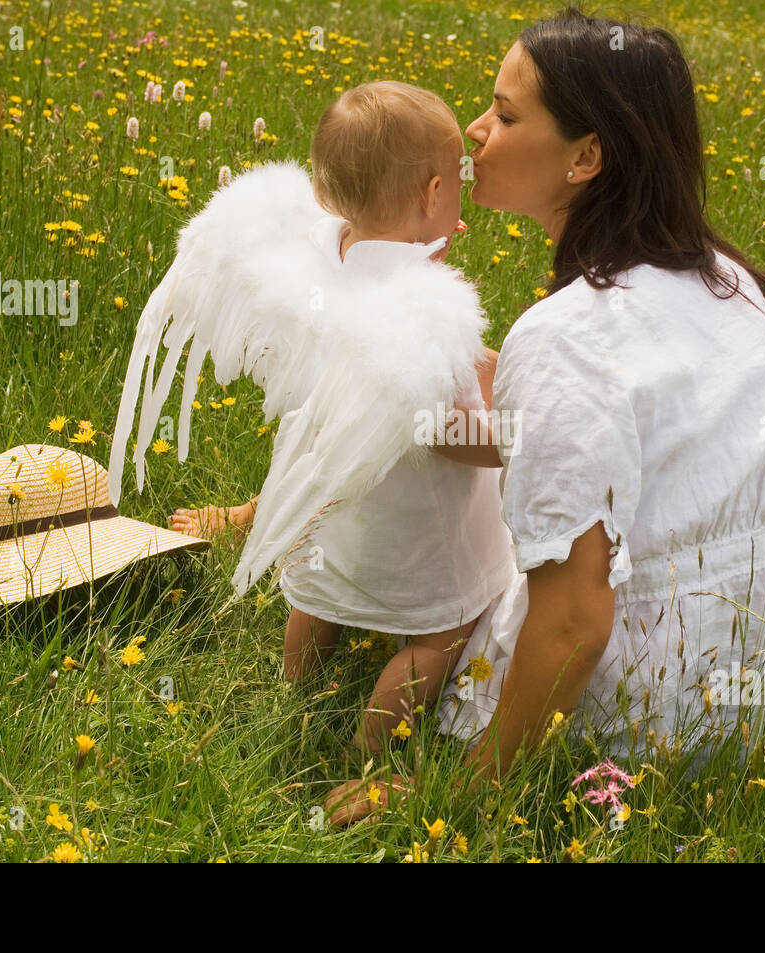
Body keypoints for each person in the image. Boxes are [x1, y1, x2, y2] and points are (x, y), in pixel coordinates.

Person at [326, 10, 765, 823]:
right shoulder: (732, 284)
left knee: (463, 536)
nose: (475, 133)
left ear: (587, 156)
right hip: (758, 684)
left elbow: (575, 624)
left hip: (634, 725)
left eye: (507, 115)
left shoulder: (564, 339)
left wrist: (461, 800)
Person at [153, 81, 518, 756]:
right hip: (413, 528)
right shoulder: (427, 313)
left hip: (330, 501)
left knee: (314, 597)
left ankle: (296, 690)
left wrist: (417, 241)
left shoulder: (319, 256)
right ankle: (368, 748)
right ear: (433, 194)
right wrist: (510, 441)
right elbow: (446, 429)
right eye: (455, 193)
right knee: (437, 638)